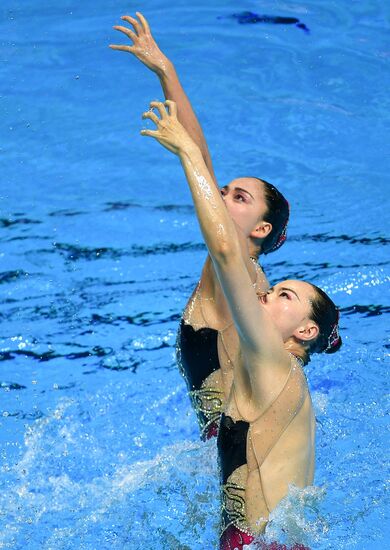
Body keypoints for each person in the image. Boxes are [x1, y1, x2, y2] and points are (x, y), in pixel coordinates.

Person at [139, 100, 341, 549]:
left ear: (304, 332)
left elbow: (227, 249)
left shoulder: (273, 362)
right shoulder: (283, 374)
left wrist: (188, 153)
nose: (265, 295)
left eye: (283, 296)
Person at [110, 13, 290, 440]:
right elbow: (205, 168)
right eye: (226, 190)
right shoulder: (238, 270)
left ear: (260, 230)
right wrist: (165, 71)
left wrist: (167, 74)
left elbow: (201, 165)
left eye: (239, 197)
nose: (222, 195)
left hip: (239, 445)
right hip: (229, 439)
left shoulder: (238, 269)